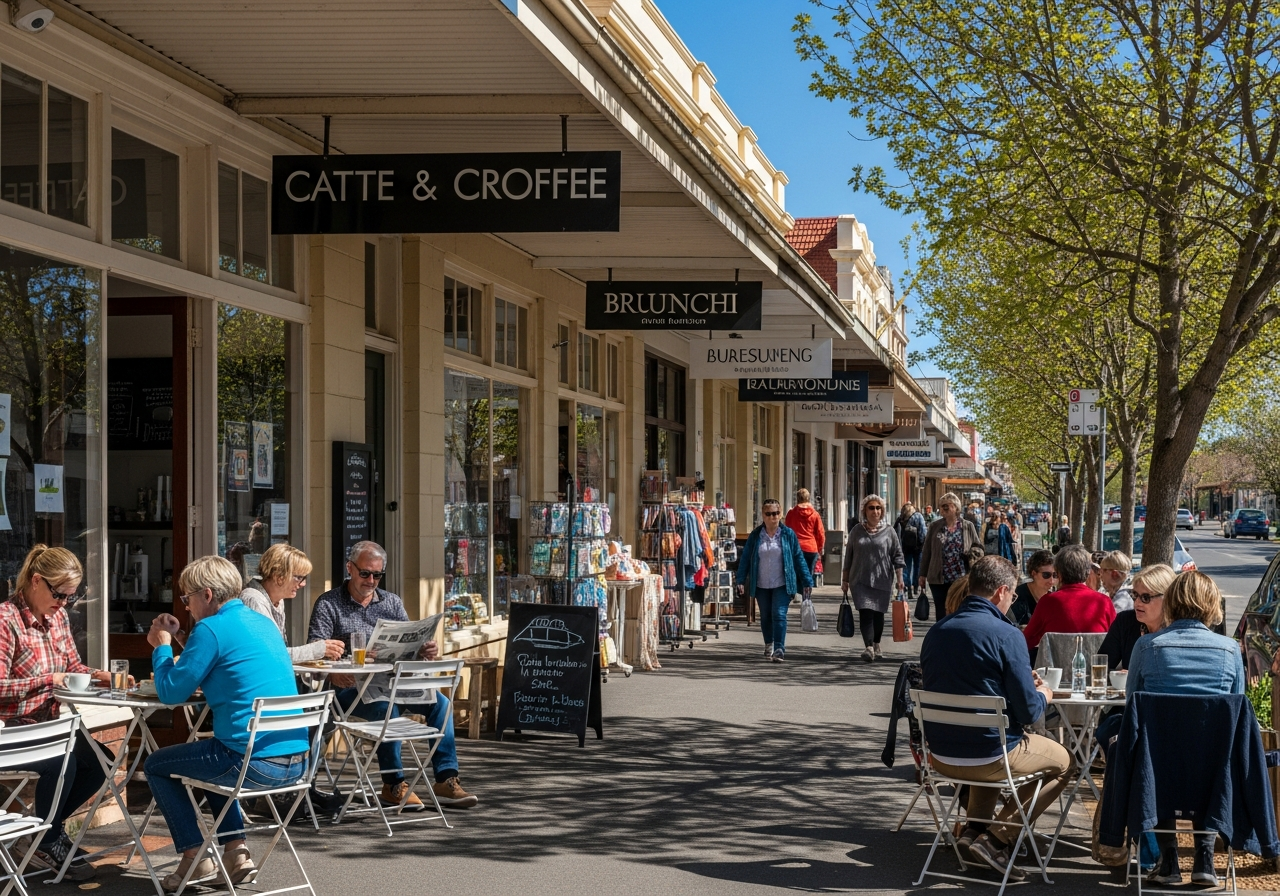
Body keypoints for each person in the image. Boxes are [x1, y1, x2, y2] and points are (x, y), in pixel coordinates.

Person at [144, 556, 308, 890]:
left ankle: (194, 858)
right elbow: (224, 660)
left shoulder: (210, 629)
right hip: (296, 762)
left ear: (207, 594)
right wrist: (181, 638)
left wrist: (161, 648)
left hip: (252, 762)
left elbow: (171, 692)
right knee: (211, 761)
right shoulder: (262, 622)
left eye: (187, 597)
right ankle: (236, 853)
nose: (186, 606)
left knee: (157, 764)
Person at [920, 555, 1073, 879]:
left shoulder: (937, 631)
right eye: (1013, 596)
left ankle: (974, 831)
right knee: (1064, 763)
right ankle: (997, 838)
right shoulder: (1006, 634)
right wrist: (1044, 694)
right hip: (990, 755)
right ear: (1002, 591)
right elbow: (1029, 712)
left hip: (941, 757)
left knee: (990, 739)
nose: (1011, 602)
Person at [308, 541, 478, 809]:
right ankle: (393, 784)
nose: (371, 581)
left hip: (391, 682)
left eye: (377, 575)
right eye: (365, 573)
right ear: (350, 568)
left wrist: (423, 650)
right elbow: (314, 652)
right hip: (350, 689)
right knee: (386, 709)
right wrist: (332, 675)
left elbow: (407, 646)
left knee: (442, 704)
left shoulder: (392, 602)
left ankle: (446, 778)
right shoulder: (328, 604)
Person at [1126, 572, 1245, 887]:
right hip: (1213, 771)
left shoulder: (1146, 646)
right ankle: (1204, 858)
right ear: (1212, 604)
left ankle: (1169, 860)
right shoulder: (1230, 650)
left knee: (1154, 748)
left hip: (1158, 771)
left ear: (1171, 602)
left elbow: (1131, 705)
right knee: (1209, 750)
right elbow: (1237, 711)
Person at [0, 546, 109, 880]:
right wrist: (49, 680)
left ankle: (43, 833)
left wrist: (99, 675)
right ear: (36, 581)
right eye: (59, 595)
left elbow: (71, 668)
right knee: (64, 762)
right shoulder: (6, 620)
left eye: (70, 597)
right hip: (11, 730)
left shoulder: (58, 617)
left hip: (48, 728)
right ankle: (47, 842)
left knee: (101, 762)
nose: (64, 604)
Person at [238, 543, 344, 662]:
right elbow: (270, 654)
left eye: (304, 578)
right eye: (299, 577)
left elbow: (280, 651)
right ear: (278, 576)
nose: (303, 584)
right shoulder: (253, 599)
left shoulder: (277, 600)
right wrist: (317, 650)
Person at [737, 499, 813, 663]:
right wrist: (740, 580)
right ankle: (769, 643)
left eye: (776, 513)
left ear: (781, 514)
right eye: (769, 514)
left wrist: (807, 581)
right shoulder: (756, 535)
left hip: (782, 583)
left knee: (779, 614)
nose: (773, 517)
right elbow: (745, 559)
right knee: (765, 616)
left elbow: (798, 558)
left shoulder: (788, 534)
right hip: (761, 584)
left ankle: (779, 649)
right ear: (763, 515)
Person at [841, 494, 906, 662]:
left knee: (878, 614)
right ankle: (869, 647)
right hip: (859, 580)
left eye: (878, 508)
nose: (875, 511)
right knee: (865, 612)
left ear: (882, 511)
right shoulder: (856, 531)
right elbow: (848, 556)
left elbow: (897, 556)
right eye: (871, 508)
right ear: (865, 511)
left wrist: (900, 579)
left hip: (882, 579)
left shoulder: (889, 531)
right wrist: (845, 580)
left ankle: (876, 643)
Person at [1022, 544, 1116, 658]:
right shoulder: (1104, 602)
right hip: (1095, 667)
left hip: (1056, 668)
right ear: (1087, 572)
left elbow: (1026, 641)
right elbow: (1116, 642)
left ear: (1059, 574)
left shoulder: (1048, 602)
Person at [919, 492, 982, 621]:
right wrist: (922, 574)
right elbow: (927, 551)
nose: (943, 509)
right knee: (941, 611)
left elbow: (978, 546)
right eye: (942, 506)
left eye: (947, 506)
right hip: (938, 577)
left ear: (956, 507)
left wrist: (972, 554)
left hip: (961, 576)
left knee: (958, 609)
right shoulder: (935, 526)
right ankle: (942, 633)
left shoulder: (967, 526)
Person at [784, 488, 826, 581]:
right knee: (808, 576)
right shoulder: (815, 514)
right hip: (811, 548)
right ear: (808, 498)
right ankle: (807, 590)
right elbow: (820, 534)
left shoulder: (791, 513)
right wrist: (819, 549)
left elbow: (786, 531)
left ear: (797, 498)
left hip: (795, 548)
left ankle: (797, 589)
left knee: (796, 577)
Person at [1008, 549, 1056, 627]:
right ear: (1034, 573)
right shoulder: (1017, 596)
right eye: (1046, 575)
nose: (1051, 580)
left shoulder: (1054, 599)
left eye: (1055, 575)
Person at [894, 501, 926, 599]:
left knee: (906, 567)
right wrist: (922, 544)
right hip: (917, 547)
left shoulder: (901, 518)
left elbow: (895, 532)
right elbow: (923, 532)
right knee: (917, 567)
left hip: (905, 547)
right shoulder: (918, 516)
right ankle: (915, 586)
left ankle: (907, 587)